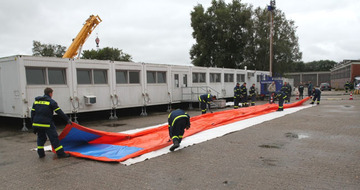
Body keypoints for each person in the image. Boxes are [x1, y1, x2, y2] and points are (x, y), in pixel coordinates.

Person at [31, 87, 72, 158]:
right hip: (47, 123)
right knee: (54, 138)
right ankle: (61, 154)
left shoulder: (36, 102)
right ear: (50, 93)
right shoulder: (51, 102)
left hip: (37, 123)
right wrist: (67, 119)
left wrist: (33, 125)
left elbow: (32, 114)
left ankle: (41, 153)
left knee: (41, 138)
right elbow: (59, 112)